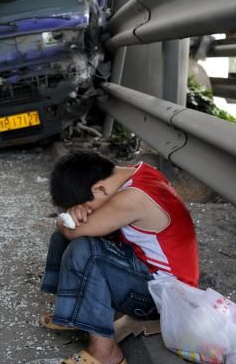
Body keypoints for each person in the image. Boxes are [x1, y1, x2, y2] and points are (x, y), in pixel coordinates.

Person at [41, 150, 199, 364]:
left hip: (168, 299)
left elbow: (71, 230)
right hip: (146, 273)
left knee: (86, 250)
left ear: (99, 188)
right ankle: (72, 313)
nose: (85, 211)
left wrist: (64, 219)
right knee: (63, 239)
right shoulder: (138, 173)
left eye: (87, 206)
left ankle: (106, 353)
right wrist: (71, 217)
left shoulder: (133, 197)